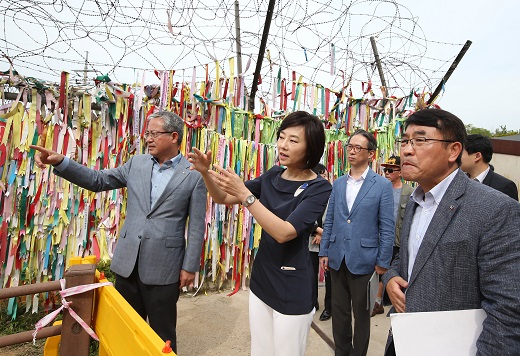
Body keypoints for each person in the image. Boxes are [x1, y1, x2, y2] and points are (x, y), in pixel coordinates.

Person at [31, 111, 207, 353]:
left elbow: (197, 224)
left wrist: (190, 266)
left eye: (154, 133)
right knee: (125, 331)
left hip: (164, 266)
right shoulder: (137, 163)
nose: (148, 138)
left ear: (174, 136)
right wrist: (62, 162)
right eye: (147, 133)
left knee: (162, 336)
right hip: (128, 263)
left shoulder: (194, 174)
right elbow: (98, 180)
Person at [189, 111, 332, 356]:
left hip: (293, 286)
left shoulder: (319, 187)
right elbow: (223, 197)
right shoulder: (273, 174)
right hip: (262, 279)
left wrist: (247, 196)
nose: (283, 145)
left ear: (312, 148)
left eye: (294, 140)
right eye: (282, 137)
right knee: (261, 351)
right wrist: (205, 172)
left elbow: (284, 232)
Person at [383, 108, 520, 355]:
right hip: (405, 339)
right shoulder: (416, 200)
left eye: (420, 140)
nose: (406, 150)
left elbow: (508, 310)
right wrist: (391, 277)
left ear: (454, 150)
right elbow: (408, 256)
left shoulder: (495, 209)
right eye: (404, 141)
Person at [319, 129, 395, 356]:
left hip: (365, 259)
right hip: (337, 256)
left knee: (361, 316)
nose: (351, 151)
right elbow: (330, 218)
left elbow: (387, 226)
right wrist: (324, 251)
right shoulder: (339, 183)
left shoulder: (381, 186)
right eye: (349, 147)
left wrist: (383, 261)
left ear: (371, 154)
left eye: (357, 148)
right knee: (339, 313)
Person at [371, 155, 414, 317]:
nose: (386, 173)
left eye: (390, 170)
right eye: (385, 170)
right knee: (378, 271)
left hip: (397, 241)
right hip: (379, 239)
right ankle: (377, 301)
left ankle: (381, 302)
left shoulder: (410, 192)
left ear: (401, 172)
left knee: (390, 272)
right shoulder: (380, 190)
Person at [460, 133, 518, 200]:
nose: (456, 157)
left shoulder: (504, 187)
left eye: (460, 153)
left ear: (477, 156)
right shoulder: (459, 181)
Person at [308, 163, 332, 321]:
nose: (325, 179)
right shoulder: (308, 193)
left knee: (330, 276)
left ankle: (329, 308)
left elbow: (337, 216)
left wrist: (324, 234)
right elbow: (303, 217)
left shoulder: (334, 193)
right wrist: (317, 230)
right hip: (310, 240)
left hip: (329, 240)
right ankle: (312, 303)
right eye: (321, 175)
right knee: (310, 274)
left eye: (326, 176)